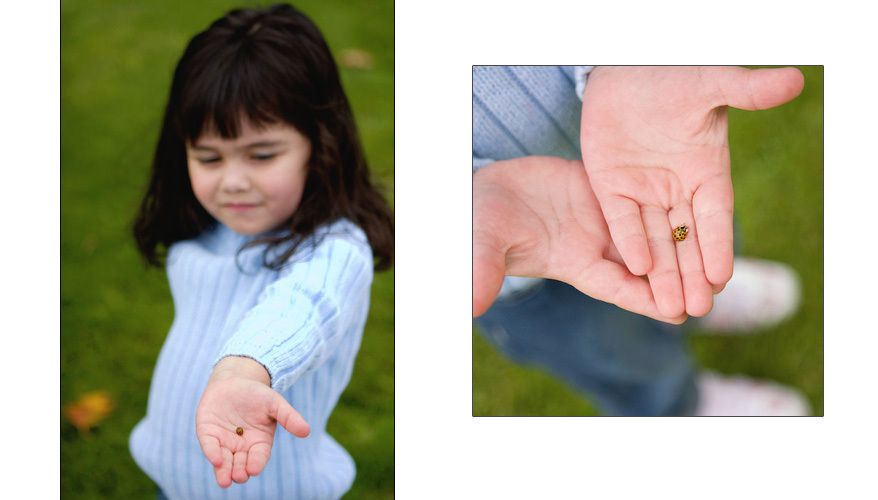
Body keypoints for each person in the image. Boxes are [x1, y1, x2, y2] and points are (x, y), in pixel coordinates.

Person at [128, 4, 393, 498]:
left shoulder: (335, 251)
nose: (233, 181)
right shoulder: (205, 232)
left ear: (321, 142)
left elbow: (301, 306)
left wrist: (242, 369)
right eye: (208, 157)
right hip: (176, 484)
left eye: (262, 154)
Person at [472, 66, 809, 416]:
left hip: (638, 153)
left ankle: (702, 299)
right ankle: (680, 406)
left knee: (698, 249)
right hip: (521, 257)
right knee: (611, 351)